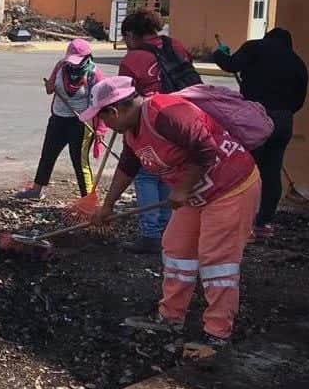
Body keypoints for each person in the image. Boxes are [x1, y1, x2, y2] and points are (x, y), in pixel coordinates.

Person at [84, 76, 260, 350]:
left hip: (230, 188)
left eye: (102, 117)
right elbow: (128, 167)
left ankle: (217, 333)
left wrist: (182, 188)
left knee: (217, 261)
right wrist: (107, 206)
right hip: (196, 193)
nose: (103, 124)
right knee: (177, 250)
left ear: (114, 111)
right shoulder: (132, 131)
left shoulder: (166, 113)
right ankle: (170, 317)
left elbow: (206, 149)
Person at [214, 28, 308, 236]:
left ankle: (240, 220)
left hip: (254, 117)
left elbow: (230, 65)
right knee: (272, 171)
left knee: (246, 169)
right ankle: (263, 223)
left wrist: (219, 53)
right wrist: (281, 112)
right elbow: (299, 100)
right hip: (283, 119)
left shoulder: (255, 47)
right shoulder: (298, 63)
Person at [117, 9, 196, 254]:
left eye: (125, 38)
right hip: (183, 118)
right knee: (168, 172)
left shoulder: (133, 59)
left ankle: (151, 235)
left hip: (152, 122)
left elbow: (125, 99)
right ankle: (166, 230)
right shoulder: (176, 46)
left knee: (145, 176)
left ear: (130, 34)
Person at [16, 39, 105, 200]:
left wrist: (100, 130)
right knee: (47, 155)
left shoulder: (94, 74)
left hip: (81, 122)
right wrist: (49, 87)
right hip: (58, 118)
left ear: (87, 57)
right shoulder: (61, 66)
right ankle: (36, 190)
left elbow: (102, 104)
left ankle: (88, 200)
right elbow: (50, 88)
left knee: (79, 162)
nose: (72, 64)